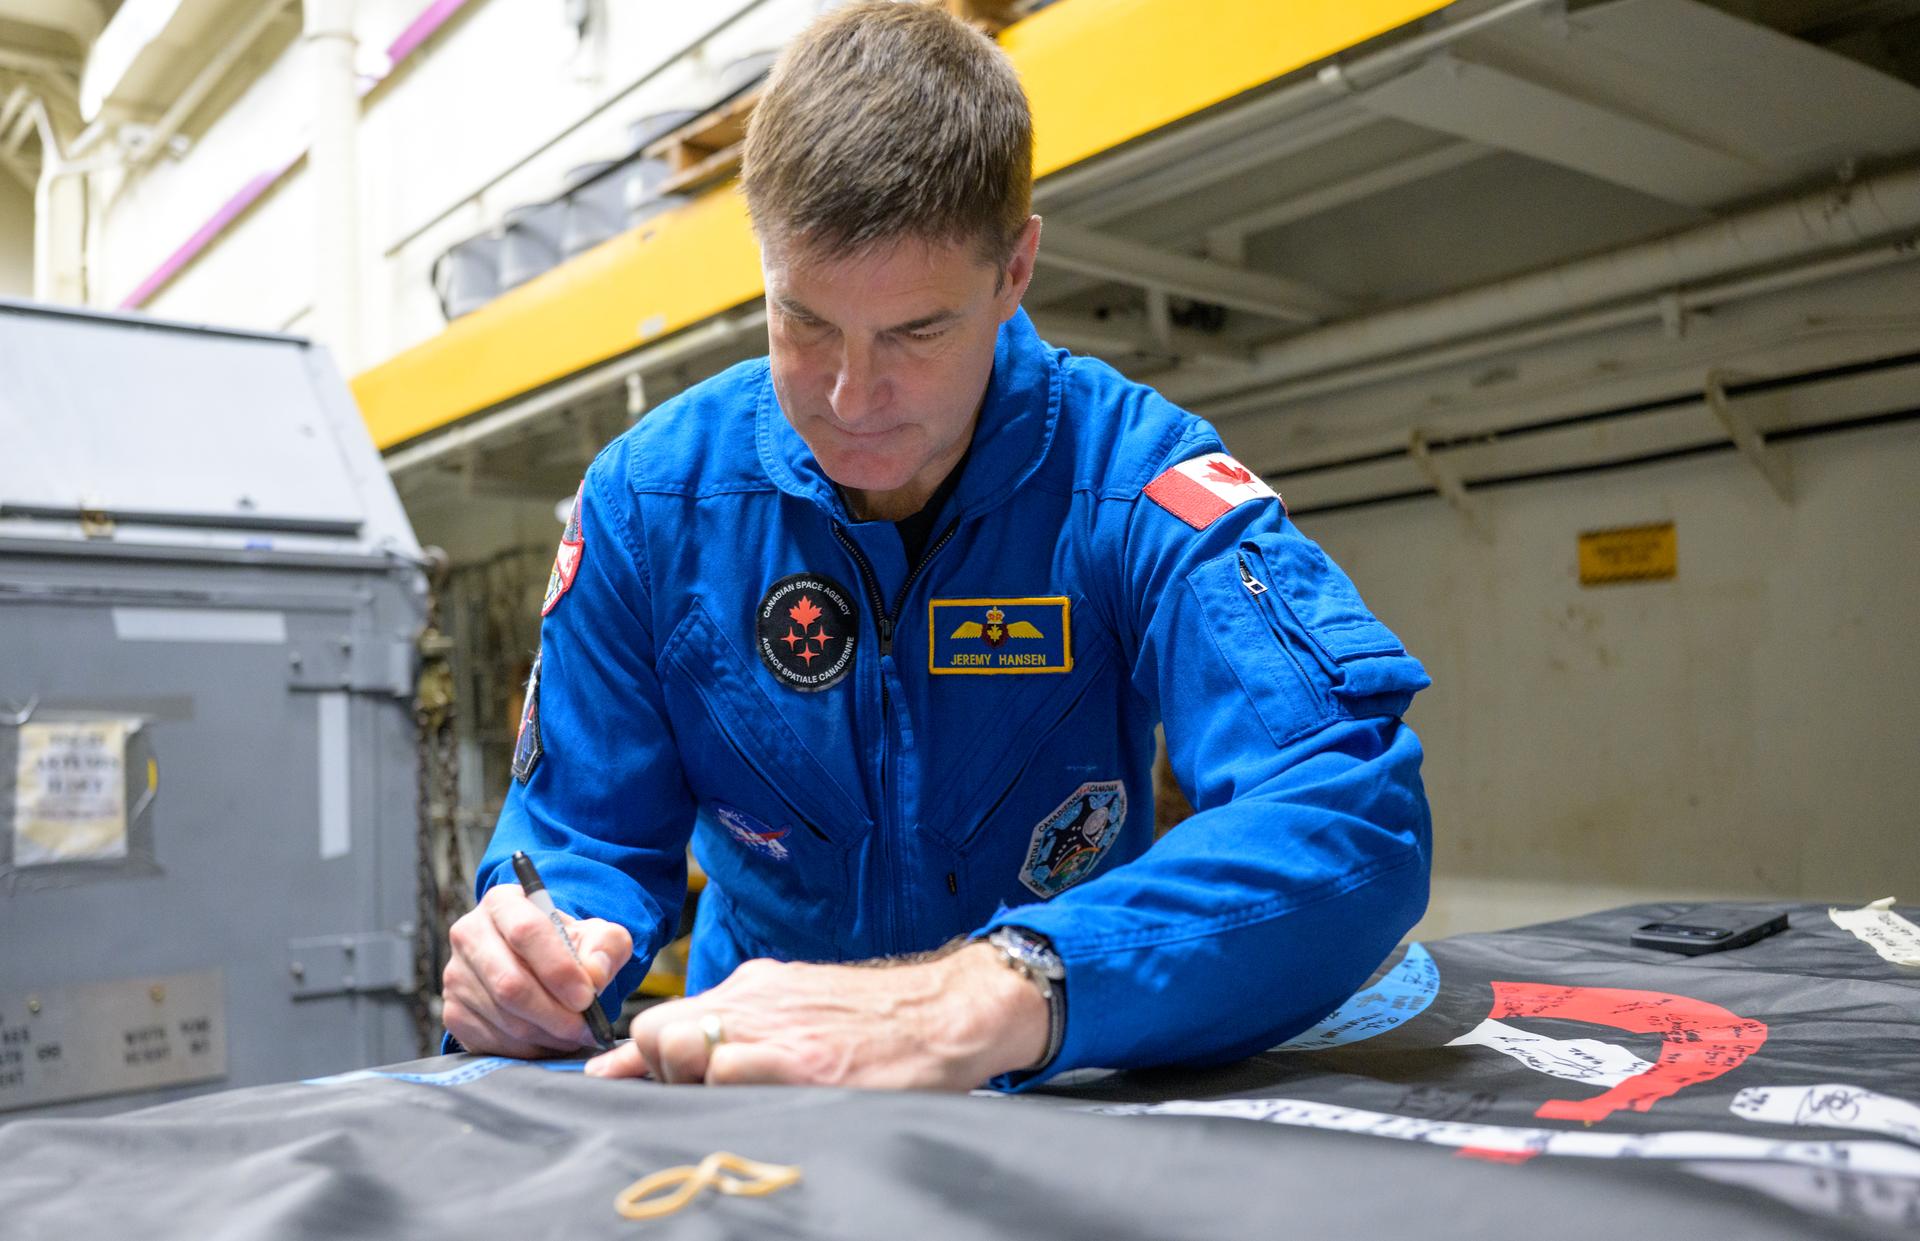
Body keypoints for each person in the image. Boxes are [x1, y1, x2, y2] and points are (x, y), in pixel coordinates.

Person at [441, 0, 1433, 1091]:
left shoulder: (1133, 481)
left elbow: (1350, 811)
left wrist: (989, 994)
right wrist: (538, 958)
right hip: (743, 1100)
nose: (851, 396)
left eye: (916, 332)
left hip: (1051, 1085)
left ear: (1015, 269)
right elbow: (582, 839)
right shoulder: (647, 504)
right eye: (803, 321)